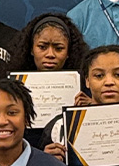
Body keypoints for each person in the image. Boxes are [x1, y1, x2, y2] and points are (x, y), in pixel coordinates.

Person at [11, 12, 89, 146]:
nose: (50, 54)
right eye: (42, 47)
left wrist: (90, 109)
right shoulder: (13, 87)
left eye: (59, 48)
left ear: (69, 52)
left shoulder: (85, 87)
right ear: (31, 49)